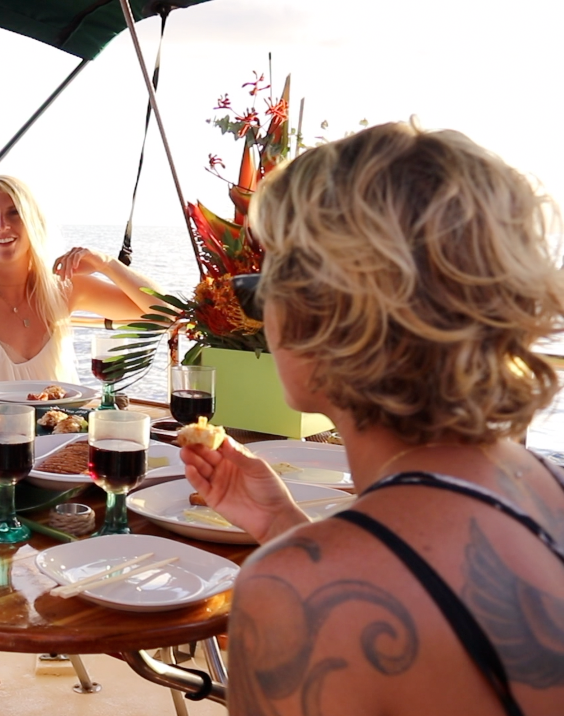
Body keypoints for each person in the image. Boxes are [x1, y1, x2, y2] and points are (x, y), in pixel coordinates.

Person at [179, 121, 564, 715]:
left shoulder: (296, 596)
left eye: (265, 282)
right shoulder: (549, 487)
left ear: (319, 313)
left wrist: (294, 558)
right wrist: (282, 522)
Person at [0, 174, 164, 393]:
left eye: (14, 212)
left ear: (34, 223)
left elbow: (166, 312)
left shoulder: (63, 288)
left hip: (67, 424)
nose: (2, 225)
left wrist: (107, 264)